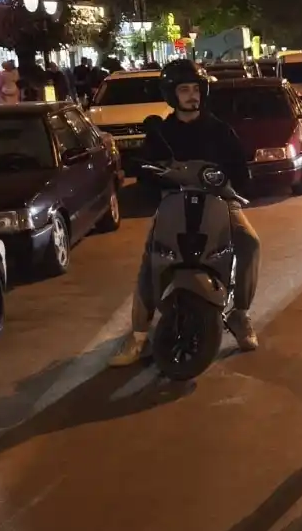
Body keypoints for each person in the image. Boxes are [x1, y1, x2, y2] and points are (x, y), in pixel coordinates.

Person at [111, 60, 261, 365]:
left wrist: (233, 180)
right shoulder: (161, 132)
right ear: (172, 94)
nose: (191, 96)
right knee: (153, 254)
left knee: (249, 242)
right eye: (184, 90)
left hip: (218, 200)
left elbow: (240, 170)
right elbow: (143, 170)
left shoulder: (220, 130)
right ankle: (139, 334)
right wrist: (151, 175)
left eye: (196, 89)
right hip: (174, 200)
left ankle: (240, 313)